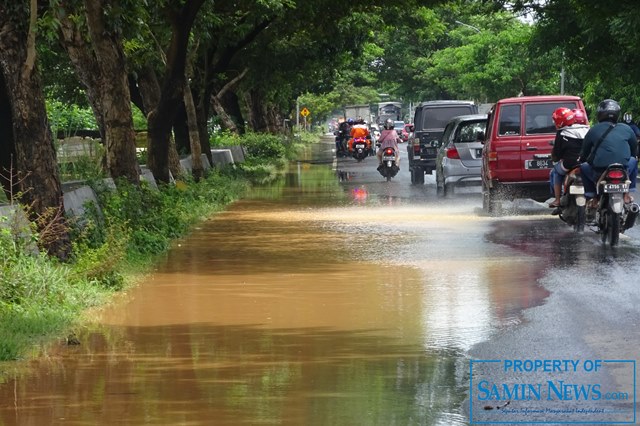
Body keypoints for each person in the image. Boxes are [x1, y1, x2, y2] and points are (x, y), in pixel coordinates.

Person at [579, 99, 638, 206]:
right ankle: (628, 193)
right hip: (623, 169)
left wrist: (583, 159)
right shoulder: (626, 128)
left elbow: (585, 152)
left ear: (600, 114)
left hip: (599, 172)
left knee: (583, 166)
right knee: (634, 160)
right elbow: (634, 148)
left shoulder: (594, 130)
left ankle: (593, 197)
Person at [548, 107, 589, 208]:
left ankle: (557, 200)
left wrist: (554, 158)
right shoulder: (587, 129)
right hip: (587, 162)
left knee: (555, 172)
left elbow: (557, 155)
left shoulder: (562, 132)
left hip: (569, 164)